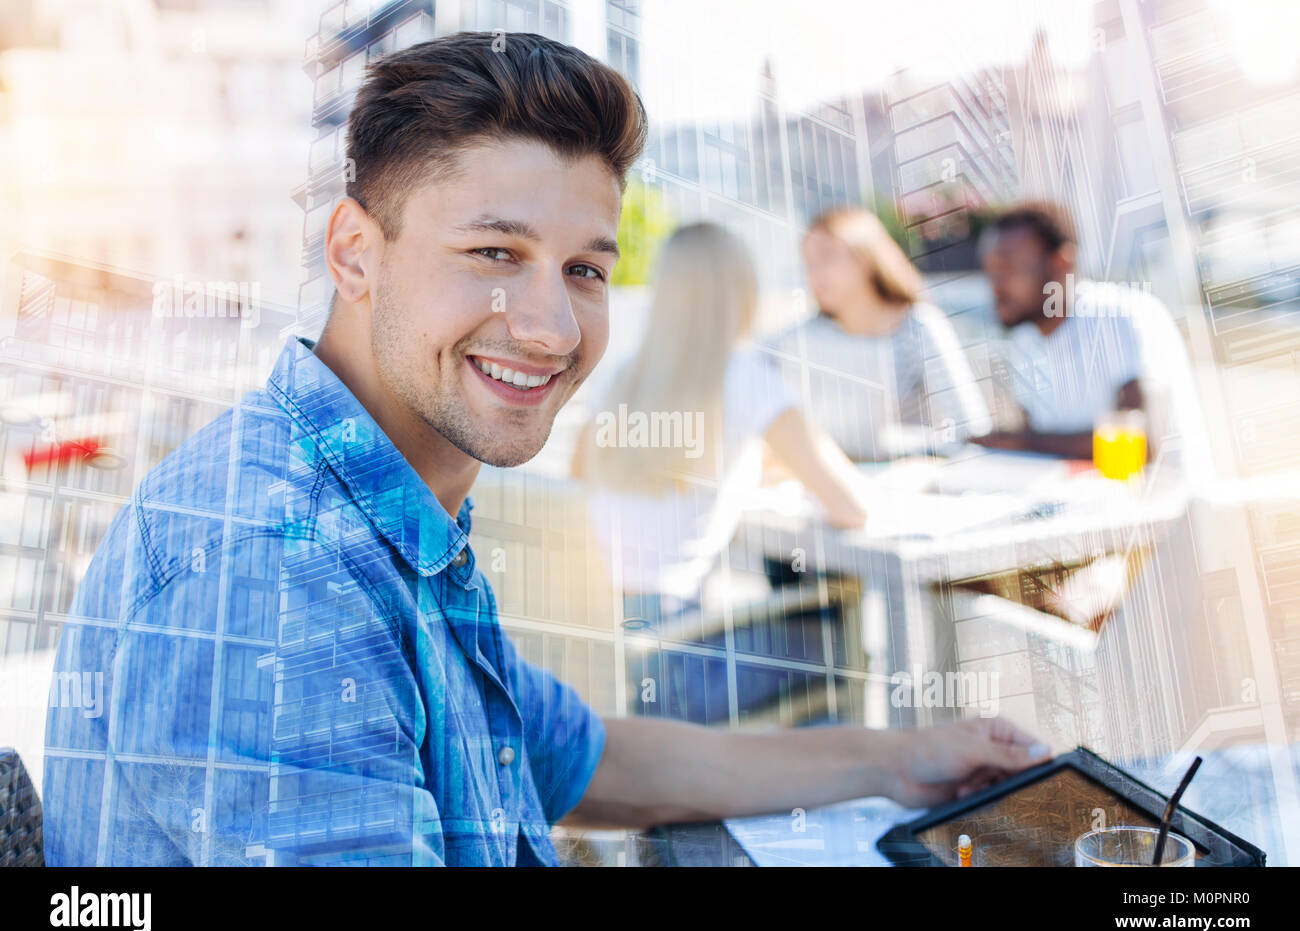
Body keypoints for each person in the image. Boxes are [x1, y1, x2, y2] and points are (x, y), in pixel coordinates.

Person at [43, 31, 1048, 867]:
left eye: (583, 270)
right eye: (495, 253)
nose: (553, 329)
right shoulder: (273, 573)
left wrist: (902, 757)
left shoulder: (384, 503)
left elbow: (583, 756)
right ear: (353, 253)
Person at [571, 222, 868, 721]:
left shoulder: (624, 375)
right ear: (742, 292)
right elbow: (851, 506)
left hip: (598, 661)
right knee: (836, 641)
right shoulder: (744, 374)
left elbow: (581, 473)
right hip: (676, 665)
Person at [974, 200, 1194, 463]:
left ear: (1061, 263)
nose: (995, 285)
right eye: (991, 271)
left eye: (1008, 268)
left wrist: (1021, 442)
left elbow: (1136, 447)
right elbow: (1037, 447)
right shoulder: (1025, 339)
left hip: (1162, 491)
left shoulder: (1119, 315)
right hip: (1078, 489)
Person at [769, 206, 992, 462]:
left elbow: (970, 429)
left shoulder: (918, 328)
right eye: (809, 263)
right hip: (822, 476)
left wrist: (891, 444)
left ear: (865, 258)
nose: (814, 274)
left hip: (907, 476)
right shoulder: (800, 337)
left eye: (827, 257)